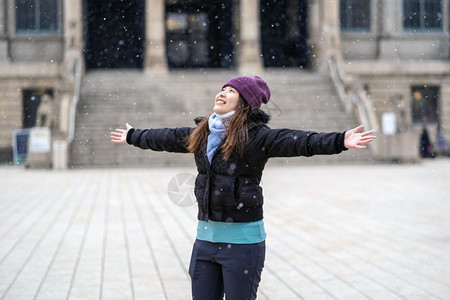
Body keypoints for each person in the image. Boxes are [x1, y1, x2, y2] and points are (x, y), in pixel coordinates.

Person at [110, 76, 376, 300]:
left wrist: (340, 140)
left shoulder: (258, 136)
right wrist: (134, 136)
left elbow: (300, 141)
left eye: (232, 91)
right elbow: (165, 137)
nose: (223, 93)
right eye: (223, 89)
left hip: (242, 245)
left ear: (246, 103)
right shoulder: (203, 132)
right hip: (205, 241)